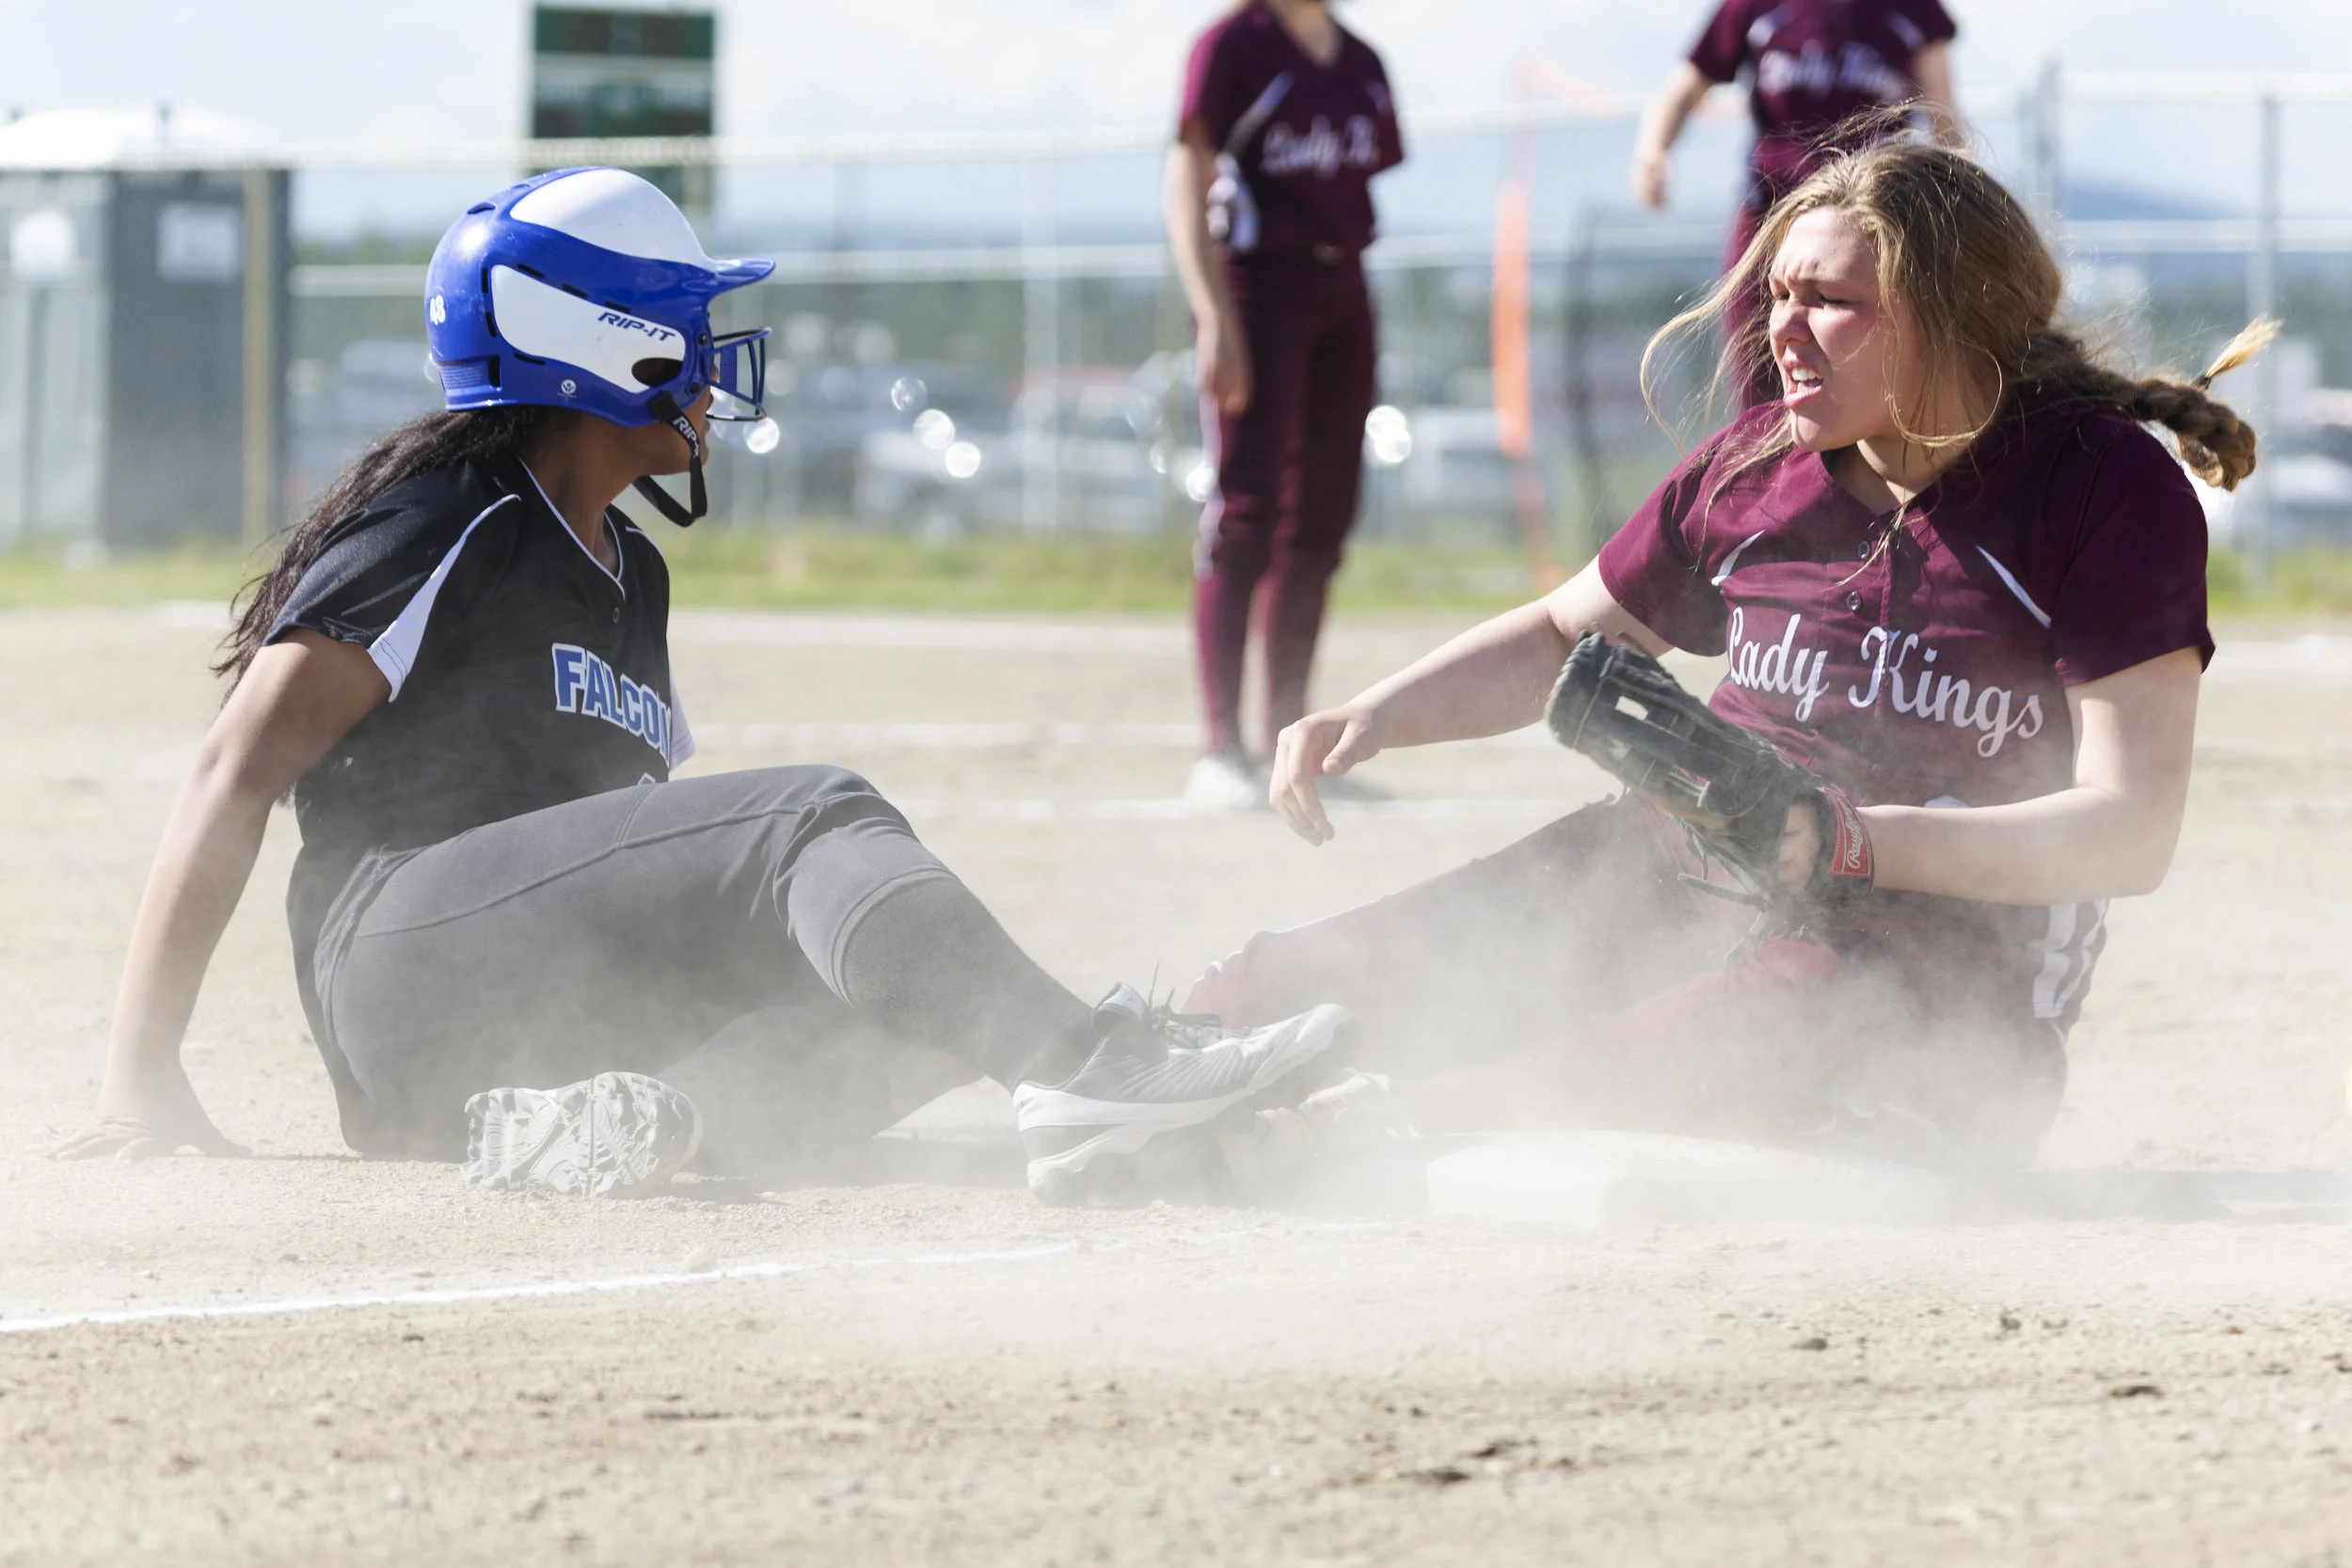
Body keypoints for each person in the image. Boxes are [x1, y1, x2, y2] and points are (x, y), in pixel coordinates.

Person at [51, 167, 1346, 1204]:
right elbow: (237, 763)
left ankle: (643, 1129)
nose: (712, 362)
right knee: (810, 816)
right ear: (594, 342)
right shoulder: (450, 513)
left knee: (924, 992)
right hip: (401, 962)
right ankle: (1091, 1067)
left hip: (522, 1039)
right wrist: (138, 1070)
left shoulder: (633, 572)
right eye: (683, 325)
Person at [1184, 138, 2262, 1167]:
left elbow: (2127, 831)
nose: (1780, 328)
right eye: (1779, 295)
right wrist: (1379, 712)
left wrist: (1845, 841)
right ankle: (1138, 1070)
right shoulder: (1762, 467)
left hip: (1924, 964)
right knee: (1275, 989)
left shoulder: (2099, 490)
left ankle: (1337, 1134)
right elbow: (1565, 631)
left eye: (1827, 302)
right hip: (1687, 865)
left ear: (1949, 316)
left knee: (1497, 1096)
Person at [1164, 0, 1404, 809]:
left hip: (1344, 288)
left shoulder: (1362, 61)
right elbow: (1186, 180)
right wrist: (1213, 316)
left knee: (1323, 516)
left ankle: (1288, 741)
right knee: (1248, 511)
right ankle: (1221, 749)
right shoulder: (1233, 45)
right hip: (1257, 285)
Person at [1631, 0, 1963, 404]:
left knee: (1870, 384)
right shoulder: (1755, 8)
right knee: (1763, 391)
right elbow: (1681, 92)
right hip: (1772, 224)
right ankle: (1773, 466)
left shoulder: (1911, 10)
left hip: (1875, 231)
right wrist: (1652, 151)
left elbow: (1946, 126)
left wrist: (1961, 208)